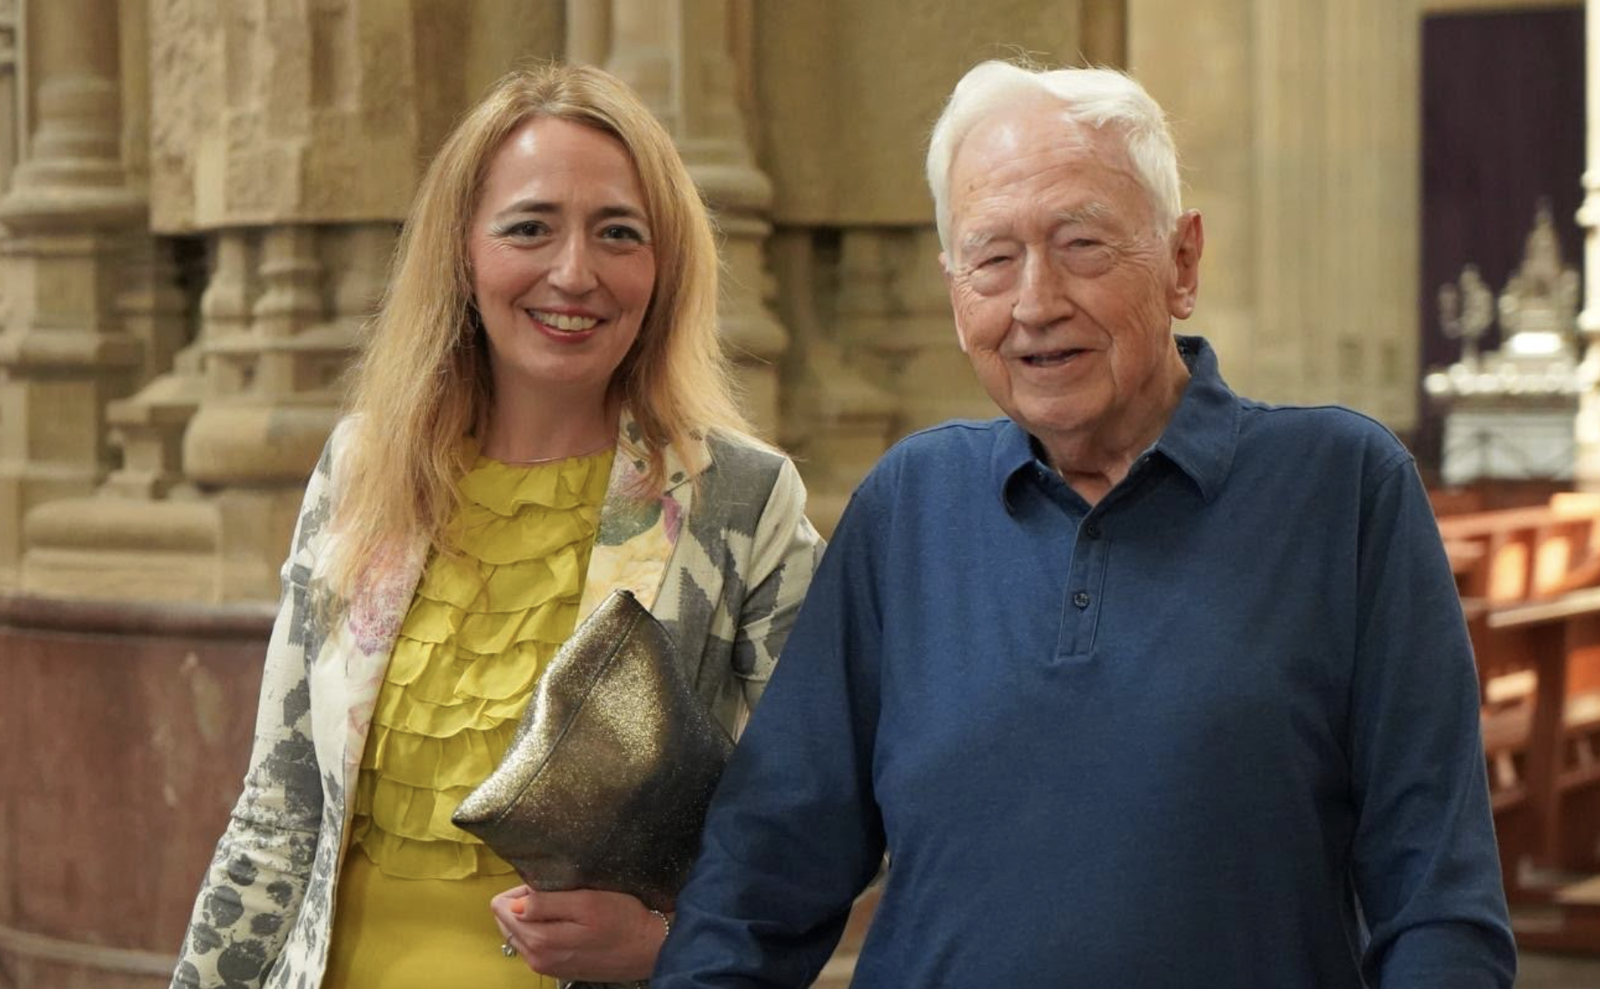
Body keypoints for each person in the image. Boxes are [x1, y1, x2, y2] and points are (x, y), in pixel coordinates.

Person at [653, 60, 1516, 987]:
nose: (1034, 302)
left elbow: (1439, 905)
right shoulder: (909, 505)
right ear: (954, 289)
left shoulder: (1344, 490)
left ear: (1182, 262)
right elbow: (760, 876)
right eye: (991, 257)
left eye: (1082, 244)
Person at [171, 62, 821, 989]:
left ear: (664, 266)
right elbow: (278, 815)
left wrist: (670, 945)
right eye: (529, 228)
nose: (574, 273)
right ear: (462, 252)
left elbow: (823, 816)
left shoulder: (741, 501)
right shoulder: (362, 469)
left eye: (618, 234)